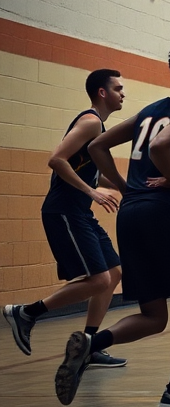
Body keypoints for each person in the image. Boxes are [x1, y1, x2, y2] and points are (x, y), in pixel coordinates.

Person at [55, 43, 170, 407]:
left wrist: (126, 186)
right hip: (167, 214)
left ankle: (92, 344)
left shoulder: (152, 109)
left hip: (131, 215)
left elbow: (97, 145)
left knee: (154, 316)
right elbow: (162, 144)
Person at [4, 70, 128, 368]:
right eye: (118, 88)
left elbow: (91, 172)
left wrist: (130, 189)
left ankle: (88, 344)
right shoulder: (90, 122)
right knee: (98, 280)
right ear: (102, 92)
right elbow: (56, 159)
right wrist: (92, 192)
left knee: (113, 274)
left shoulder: (99, 129)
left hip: (79, 212)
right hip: (64, 211)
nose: (123, 93)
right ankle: (27, 312)